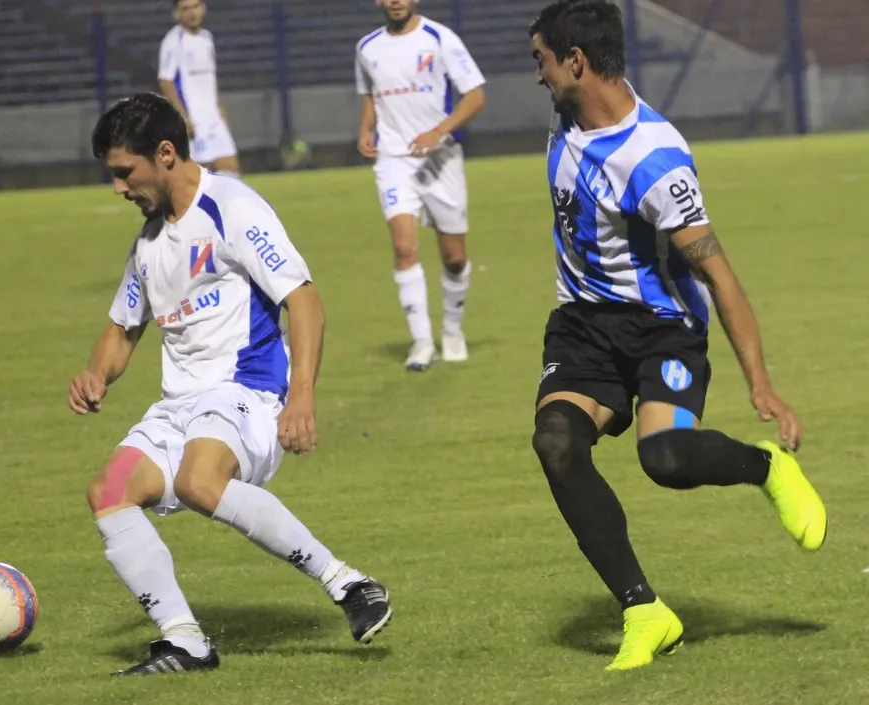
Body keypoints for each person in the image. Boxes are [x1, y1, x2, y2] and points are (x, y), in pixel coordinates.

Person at [527, 0, 827, 672]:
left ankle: (766, 468)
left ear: (576, 62)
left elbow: (720, 275)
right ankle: (645, 611)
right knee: (556, 442)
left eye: (542, 61)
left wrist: (762, 386)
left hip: (662, 328)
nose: (537, 76)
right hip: (582, 324)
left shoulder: (656, 163)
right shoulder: (568, 109)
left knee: (664, 459)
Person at [70, 93, 392, 676]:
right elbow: (121, 330)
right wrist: (98, 373)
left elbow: (305, 302)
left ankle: (347, 583)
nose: (118, 188)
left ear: (164, 154)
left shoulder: (233, 208)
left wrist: (302, 397)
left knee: (199, 481)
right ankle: (185, 640)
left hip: (247, 391)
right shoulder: (148, 242)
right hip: (179, 405)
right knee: (109, 491)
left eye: (124, 172)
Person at [354, 0, 486, 370]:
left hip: (440, 158)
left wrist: (438, 132)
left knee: (454, 258)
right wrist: (365, 129)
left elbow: (475, 94)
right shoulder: (367, 48)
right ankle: (422, 342)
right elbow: (371, 96)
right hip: (394, 159)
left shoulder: (440, 39)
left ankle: (452, 329)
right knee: (404, 246)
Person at [157, 0, 241, 177]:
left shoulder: (206, 38)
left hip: (213, 117)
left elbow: (210, 78)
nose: (192, 13)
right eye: (185, 9)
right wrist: (182, 116)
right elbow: (166, 81)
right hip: (194, 119)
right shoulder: (174, 41)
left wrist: (220, 108)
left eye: (195, 6)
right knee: (201, 173)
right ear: (176, 14)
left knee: (231, 168)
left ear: (203, 8)